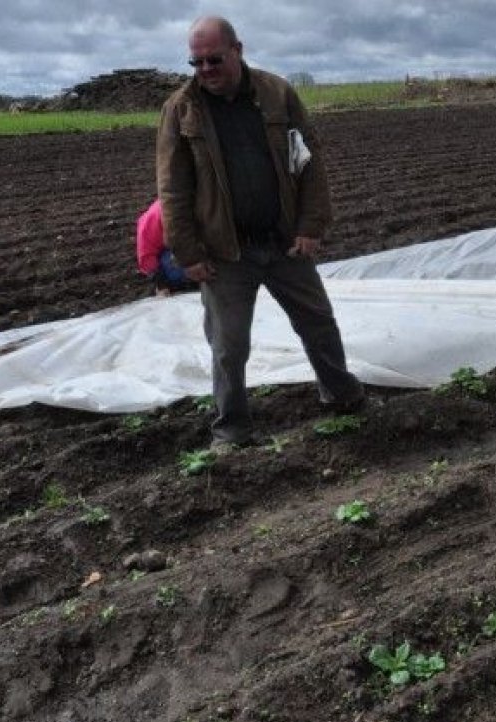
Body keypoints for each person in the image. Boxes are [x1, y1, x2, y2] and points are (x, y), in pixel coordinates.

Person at [156, 15, 365, 447]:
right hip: (225, 253)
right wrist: (189, 254)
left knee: (319, 323)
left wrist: (309, 227)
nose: (205, 70)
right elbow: (172, 188)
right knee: (229, 346)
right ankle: (231, 430)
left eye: (214, 59)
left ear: (238, 49)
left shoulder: (277, 94)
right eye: (196, 63)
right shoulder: (181, 109)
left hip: (284, 241)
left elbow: (309, 163)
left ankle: (343, 396)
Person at [135, 199, 199, 296]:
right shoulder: (153, 219)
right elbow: (146, 253)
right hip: (166, 253)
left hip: (184, 242)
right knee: (175, 269)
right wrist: (161, 284)